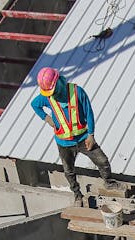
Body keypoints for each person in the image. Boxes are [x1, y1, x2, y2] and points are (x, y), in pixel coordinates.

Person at [31, 67, 119, 205]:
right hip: (64, 142)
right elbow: (34, 104)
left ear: (59, 81)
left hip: (83, 139)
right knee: (69, 171)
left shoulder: (77, 92)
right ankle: (77, 195)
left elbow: (88, 112)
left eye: (53, 91)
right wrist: (46, 118)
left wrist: (91, 135)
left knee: (102, 161)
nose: (52, 95)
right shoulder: (47, 97)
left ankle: (109, 182)